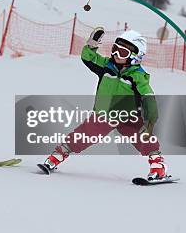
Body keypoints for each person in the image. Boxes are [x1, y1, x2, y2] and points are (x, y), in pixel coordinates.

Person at [39, 27, 169, 181]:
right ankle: (56, 158)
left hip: (128, 117)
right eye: (115, 49)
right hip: (104, 115)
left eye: (122, 53)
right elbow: (88, 58)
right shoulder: (107, 66)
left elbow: (148, 96)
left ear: (135, 57)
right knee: (81, 136)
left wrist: (151, 117)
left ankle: (158, 167)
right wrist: (92, 45)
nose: (115, 55)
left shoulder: (137, 76)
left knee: (144, 139)